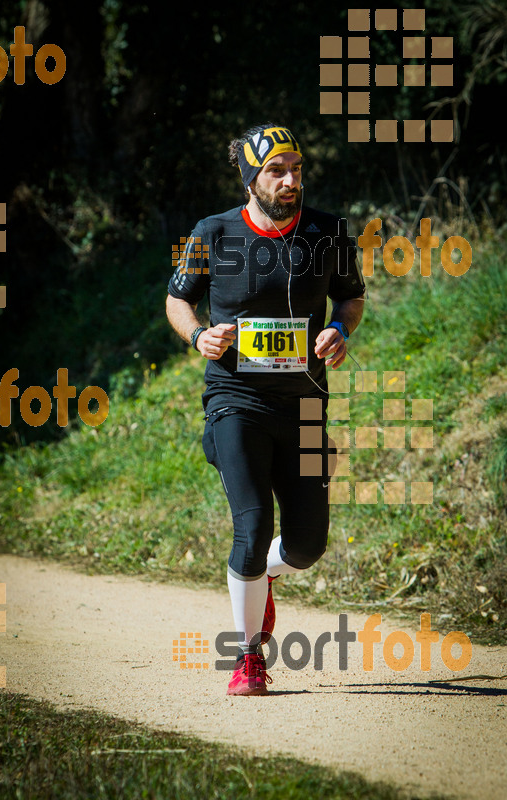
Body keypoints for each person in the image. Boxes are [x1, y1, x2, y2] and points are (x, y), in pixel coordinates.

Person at [166, 123, 365, 696]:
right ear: (249, 177)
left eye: (296, 170)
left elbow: (350, 297)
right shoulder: (214, 233)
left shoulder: (328, 231)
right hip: (236, 401)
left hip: (304, 405)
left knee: (306, 546)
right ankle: (248, 656)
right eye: (277, 172)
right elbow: (179, 298)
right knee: (251, 530)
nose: (290, 181)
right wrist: (199, 335)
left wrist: (336, 328)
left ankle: (263, 578)